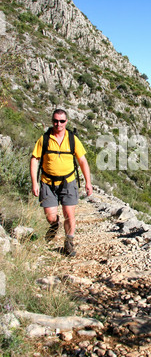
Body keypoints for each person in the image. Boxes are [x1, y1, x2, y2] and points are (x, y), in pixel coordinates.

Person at [30, 109, 93, 256]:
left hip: (68, 182)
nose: (58, 124)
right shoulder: (44, 139)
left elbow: (82, 160)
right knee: (50, 216)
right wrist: (34, 183)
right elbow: (35, 159)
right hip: (47, 182)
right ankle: (54, 225)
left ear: (66, 122)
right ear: (52, 121)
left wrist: (88, 182)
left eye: (62, 121)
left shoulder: (72, 139)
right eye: (56, 121)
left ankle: (69, 243)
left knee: (69, 214)